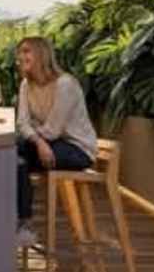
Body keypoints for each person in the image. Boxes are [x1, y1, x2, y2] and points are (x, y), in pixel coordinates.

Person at [14, 36, 98, 248]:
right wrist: (39, 143)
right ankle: (23, 225)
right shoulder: (26, 84)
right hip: (47, 145)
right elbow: (22, 123)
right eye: (20, 52)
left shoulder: (65, 84)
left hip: (77, 149)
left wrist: (36, 139)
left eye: (27, 51)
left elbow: (53, 129)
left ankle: (22, 224)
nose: (21, 56)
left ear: (42, 54)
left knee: (15, 150)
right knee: (15, 159)